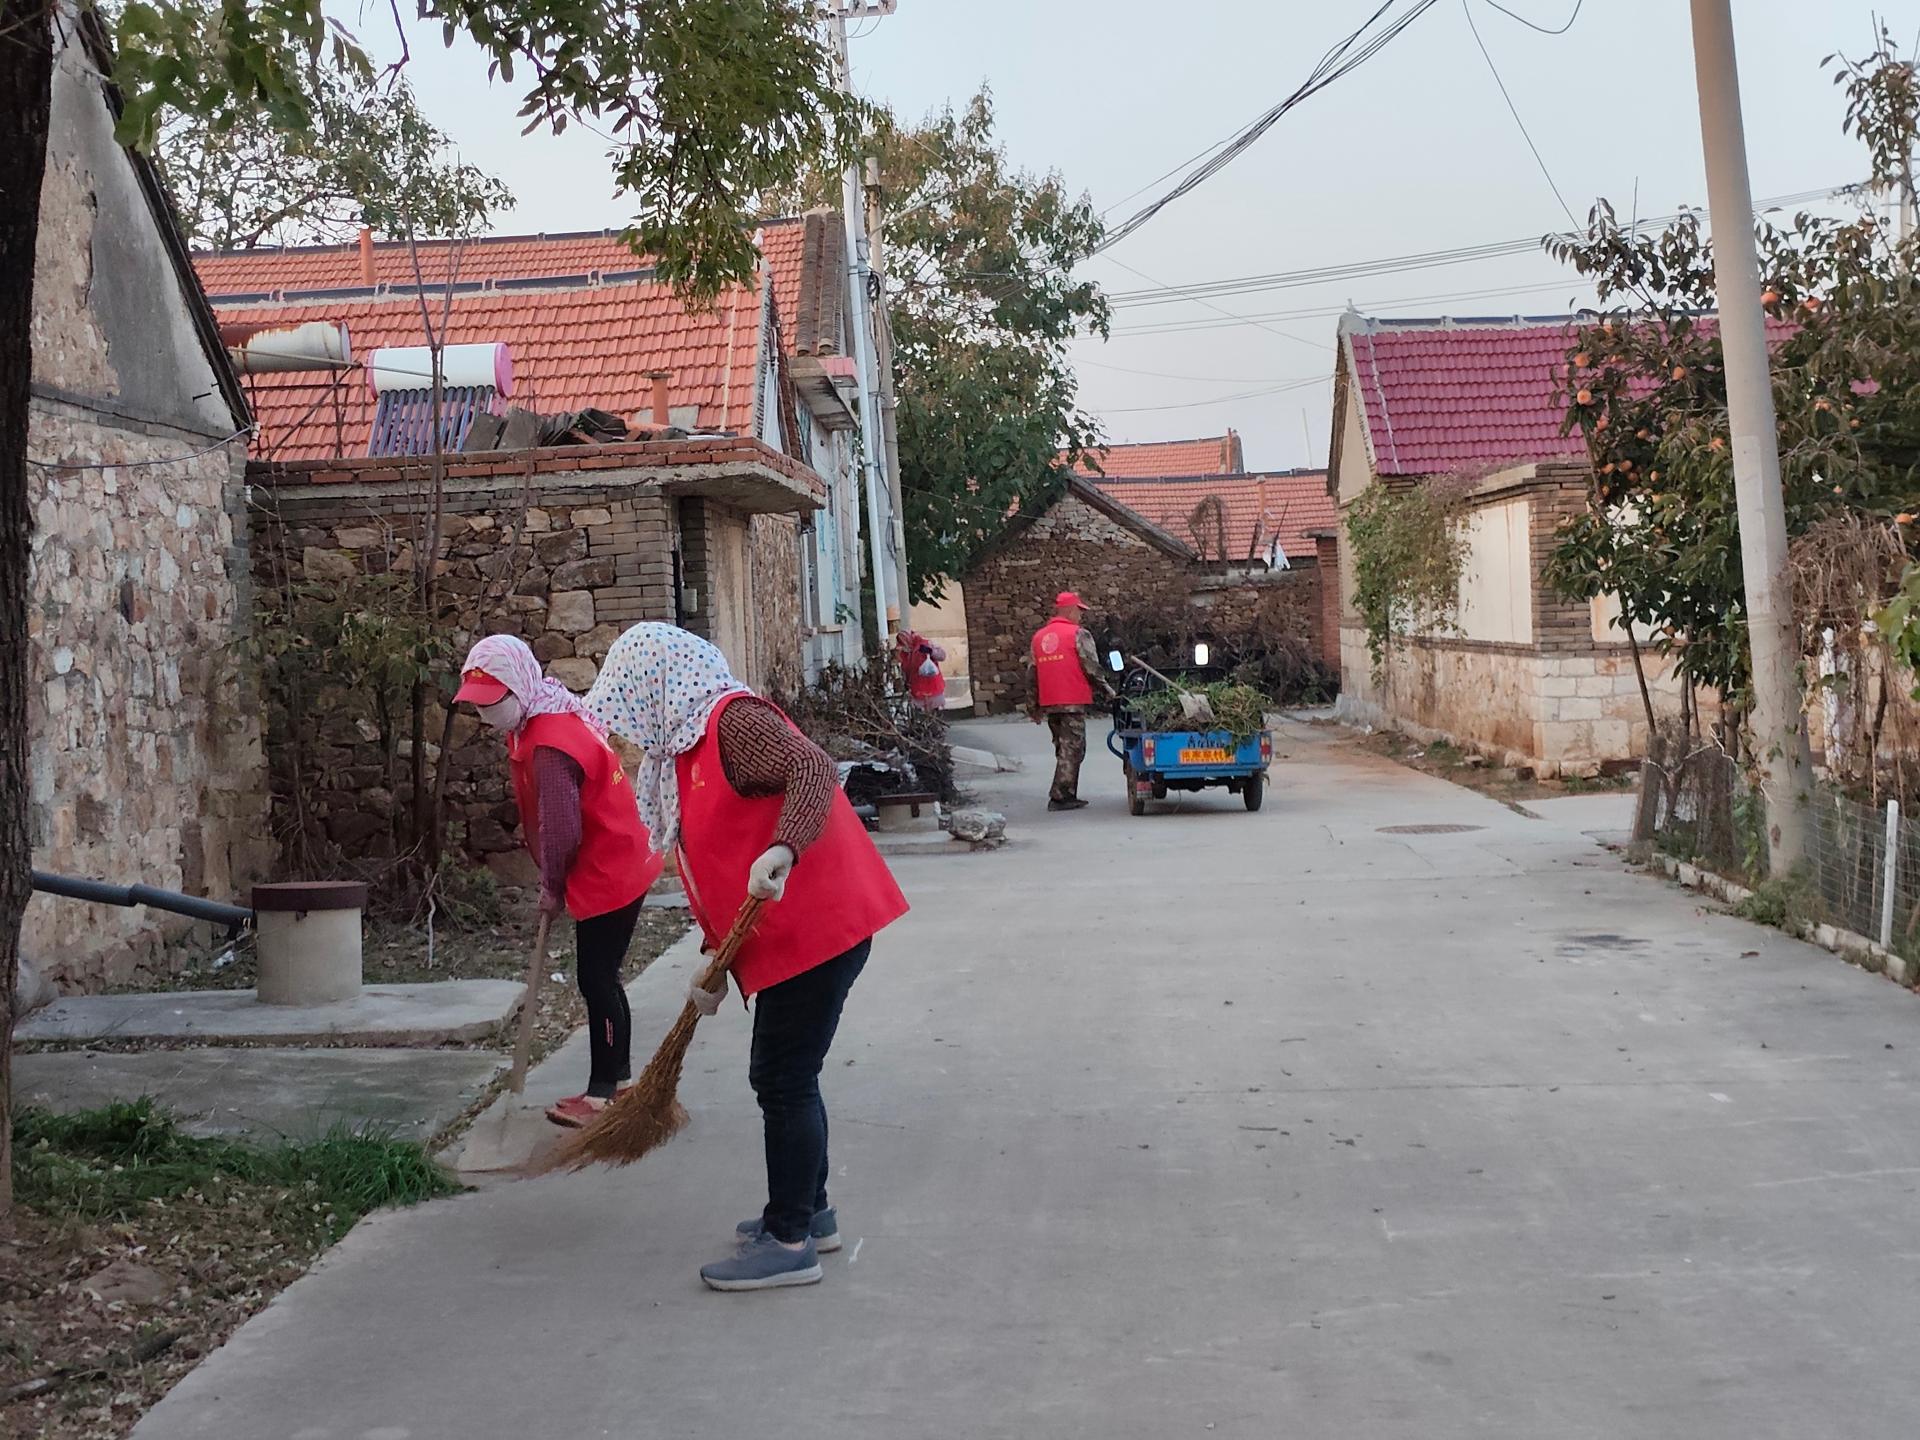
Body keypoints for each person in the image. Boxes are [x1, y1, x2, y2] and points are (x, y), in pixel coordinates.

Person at [586, 623, 908, 1293]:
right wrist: (715, 957)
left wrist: (786, 847)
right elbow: (721, 853)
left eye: (634, 699)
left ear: (661, 685)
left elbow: (812, 769)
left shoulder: (732, 721)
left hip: (818, 929)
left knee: (782, 1079)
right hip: (789, 934)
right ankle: (810, 1213)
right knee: (791, 1076)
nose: (630, 721)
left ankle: (790, 1241)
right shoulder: (686, 750)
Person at [453, 635, 663, 1128]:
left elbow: (561, 829)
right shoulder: (545, 712)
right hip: (622, 855)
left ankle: (603, 1095)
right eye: (479, 704)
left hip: (610, 866)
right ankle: (619, 1084)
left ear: (519, 686)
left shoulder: (549, 742)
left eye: (494, 701)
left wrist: (551, 886)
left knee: (596, 978)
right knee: (602, 976)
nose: (487, 713)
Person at [1025, 590, 1114, 811]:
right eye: (1079, 611)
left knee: (1062, 747)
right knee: (1074, 748)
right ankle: (1060, 795)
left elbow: (1031, 674)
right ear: (1071, 610)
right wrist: (1108, 690)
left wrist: (1033, 706)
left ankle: (1068, 793)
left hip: (1050, 701)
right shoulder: (1078, 634)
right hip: (1072, 699)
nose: (1081, 616)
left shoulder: (1038, 638)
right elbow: (1091, 667)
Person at [892, 611, 947, 712]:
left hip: (932, 686)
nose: (903, 646)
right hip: (917, 690)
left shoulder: (925, 645)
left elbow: (942, 656)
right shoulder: (904, 653)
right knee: (919, 714)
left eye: (904, 642)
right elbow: (906, 669)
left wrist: (931, 651)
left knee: (934, 712)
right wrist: (905, 683)